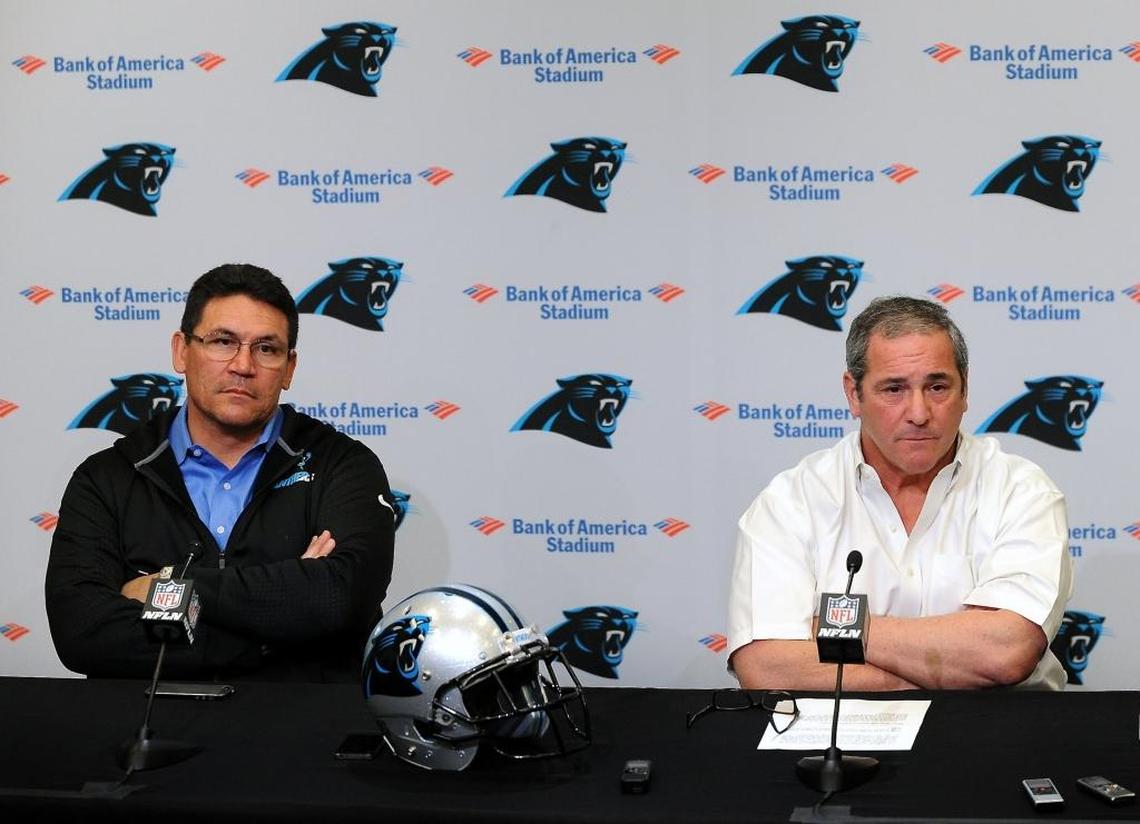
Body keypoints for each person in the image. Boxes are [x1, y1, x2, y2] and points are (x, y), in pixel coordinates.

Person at [45, 263, 396, 681]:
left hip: (302, 735)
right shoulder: (107, 478)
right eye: (223, 341)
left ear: (289, 368)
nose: (242, 365)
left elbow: (341, 599)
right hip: (147, 730)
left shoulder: (342, 466)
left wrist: (169, 587)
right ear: (181, 351)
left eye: (267, 348)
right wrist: (280, 627)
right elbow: (83, 632)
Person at [727, 296, 1073, 690]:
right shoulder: (791, 502)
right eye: (894, 389)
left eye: (937, 386)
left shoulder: (1021, 490)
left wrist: (837, 628)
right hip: (840, 741)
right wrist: (937, 677)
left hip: (1002, 736)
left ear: (965, 389)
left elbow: (1006, 652)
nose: (919, 412)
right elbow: (766, 666)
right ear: (853, 394)